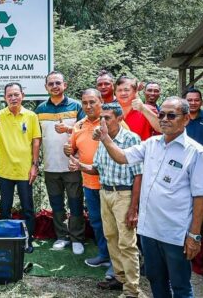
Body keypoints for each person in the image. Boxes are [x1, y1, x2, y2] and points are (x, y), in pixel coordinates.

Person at [95, 96, 203, 297]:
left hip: (175, 233)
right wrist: (105, 138)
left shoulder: (195, 152)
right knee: (156, 281)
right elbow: (122, 157)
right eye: (162, 114)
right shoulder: (151, 144)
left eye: (171, 115)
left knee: (181, 286)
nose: (165, 119)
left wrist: (194, 235)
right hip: (149, 231)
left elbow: (201, 197)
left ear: (185, 119)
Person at [70, 102, 143, 296]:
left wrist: (134, 207)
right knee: (111, 237)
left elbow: (139, 175)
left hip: (124, 195)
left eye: (107, 117)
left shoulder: (130, 139)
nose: (102, 121)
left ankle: (132, 289)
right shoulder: (103, 138)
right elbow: (97, 168)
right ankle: (119, 279)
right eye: (101, 117)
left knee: (127, 242)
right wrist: (80, 166)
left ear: (120, 118)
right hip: (105, 193)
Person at [0, 82, 41, 253]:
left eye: (16, 94)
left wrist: (34, 166)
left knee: (28, 208)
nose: (13, 98)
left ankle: (28, 240)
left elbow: (36, 141)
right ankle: (6, 240)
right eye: (10, 95)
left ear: (22, 95)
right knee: (5, 208)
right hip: (5, 171)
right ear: (4, 98)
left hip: (25, 171)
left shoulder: (31, 116)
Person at [35, 71, 86, 254]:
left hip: (72, 164)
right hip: (50, 165)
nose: (55, 86)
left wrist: (70, 130)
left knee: (75, 202)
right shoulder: (40, 109)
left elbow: (85, 131)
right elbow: (36, 138)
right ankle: (62, 236)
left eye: (58, 83)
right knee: (56, 203)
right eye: (51, 84)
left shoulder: (76, 106)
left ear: (65, 85)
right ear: (46, 87)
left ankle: (77, 238)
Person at [64, 89, 112, 277]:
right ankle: (104, 255)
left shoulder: (112, 122)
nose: (88, 106)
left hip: (111, 185)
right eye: (85, 102)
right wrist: (68, 152)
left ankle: (116, 263)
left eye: (93, 101)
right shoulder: (79, 125)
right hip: (89, 183)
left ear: (101, 101)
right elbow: (72, 150)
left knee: (114, 225)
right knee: (98, 222)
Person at [115, 76, 157, 140]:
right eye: (119, 90)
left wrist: (143, 109)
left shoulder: (148, 109)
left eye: (126, 90)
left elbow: (163, 129)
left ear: (135, 91)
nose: (123, 93)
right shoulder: (111, 112)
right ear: (115, 93)